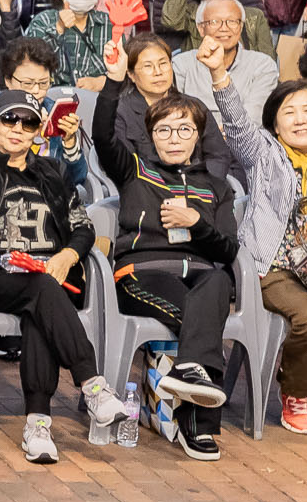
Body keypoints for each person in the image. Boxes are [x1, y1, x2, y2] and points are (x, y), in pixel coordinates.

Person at [0, 92, 134, 462]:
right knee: (42, 290)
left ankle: (38, 424)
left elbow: (82, 226)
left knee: (38, 307)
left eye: (27, 122)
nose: (17, 128)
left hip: (47, 278)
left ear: (38, 129)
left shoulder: (52, 172)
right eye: (8, 120)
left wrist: (67, 254)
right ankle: (92, 385)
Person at [99, 86, 237, 458]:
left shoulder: (217, 188)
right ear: (150, 135)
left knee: (220, 280)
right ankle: (199, 428)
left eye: (184, 129)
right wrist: (113, 83)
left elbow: (227, 249)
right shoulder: (135, 170)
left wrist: (195, 224)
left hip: (201, 274)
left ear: (198, 135)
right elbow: (102, 136)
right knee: (205, 323)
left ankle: (186, 373)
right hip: (144, 272)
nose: (174, 139)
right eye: (164, 130)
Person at [209, 64, 307, 435]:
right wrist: (218, 74)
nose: (300, 120)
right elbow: (238, 124)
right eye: (289, 112)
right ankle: (296, 391)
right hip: (275, 268)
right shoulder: (265, 156)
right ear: (275, 125)